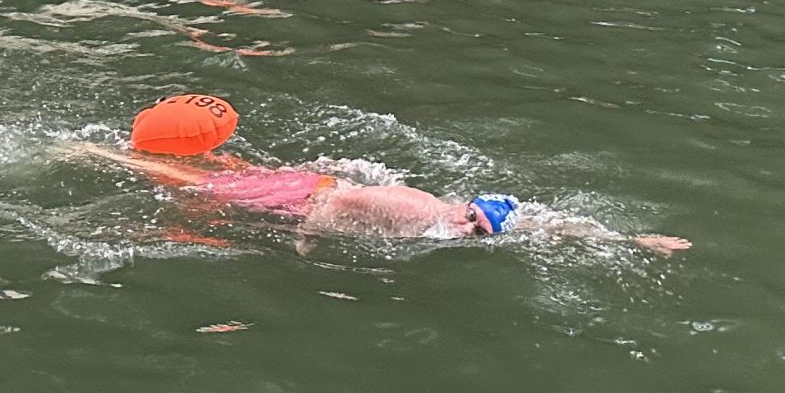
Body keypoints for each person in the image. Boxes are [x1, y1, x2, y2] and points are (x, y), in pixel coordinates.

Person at [77, 144, 687, 251]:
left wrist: (635, 239)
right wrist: (305, 240)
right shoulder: (418, 213)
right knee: (195, 186)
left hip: (314, 186)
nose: (470, 232)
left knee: (221, 174)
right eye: (473, 223)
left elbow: (546, 225)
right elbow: (335, 207)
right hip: (304, 200)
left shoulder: (450, 215)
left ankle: (175, 151)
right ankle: (93, 154)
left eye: (480, 232)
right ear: (466, 209)